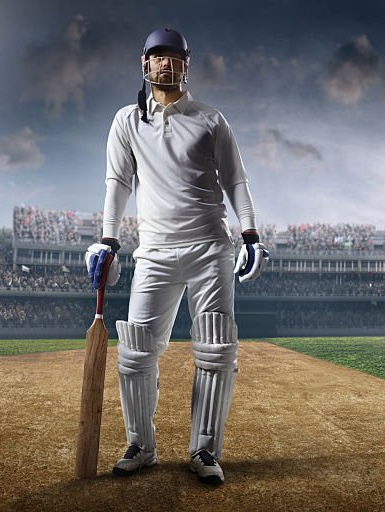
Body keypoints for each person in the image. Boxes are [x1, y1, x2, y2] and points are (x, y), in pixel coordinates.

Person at [85, 27, 268, 485]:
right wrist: (107, 240)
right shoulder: (127, 120)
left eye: (174, 57)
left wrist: (250, 234)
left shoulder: (211, 119)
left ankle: (204, 451)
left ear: (187, 64)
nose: (165, 63)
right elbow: (117, 184)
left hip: (210, 246)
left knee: (216, 351)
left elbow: (236, 181)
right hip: (154, 251)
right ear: (143, 64)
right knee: (135, 353)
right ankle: (140, 445)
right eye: (157, 56)